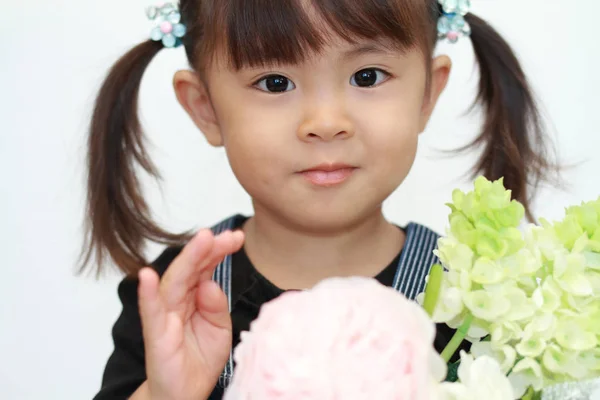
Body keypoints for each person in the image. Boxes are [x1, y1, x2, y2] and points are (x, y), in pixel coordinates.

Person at [81, 0, 557, 399]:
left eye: (368, 77)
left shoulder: (474, 300)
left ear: (428, 94)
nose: (326, 121)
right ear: (205, 109)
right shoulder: (178, 298)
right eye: (275, 83)